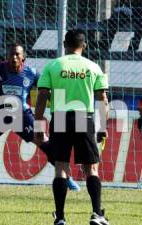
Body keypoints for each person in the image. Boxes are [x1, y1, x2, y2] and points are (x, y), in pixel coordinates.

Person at [0, 44, 80, 191]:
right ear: (7, 56)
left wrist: (60, 108)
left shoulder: (31, 73)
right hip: (0, 113)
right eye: (11, 54)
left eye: (17, 55)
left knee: (46, 144)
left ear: (23, 58)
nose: (13, 57)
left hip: (22, 115)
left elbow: (47, 93)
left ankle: (68, 179)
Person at [34, 29, 110, 225]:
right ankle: (97, 214)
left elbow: (42, 96)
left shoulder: (53, 66)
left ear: (65, 44)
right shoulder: (93, 67)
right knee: (91, 168)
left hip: (60, 117)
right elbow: (102, 99)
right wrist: (102, 126)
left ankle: (60, 217)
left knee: (60, 167)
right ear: (84, 46)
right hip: (85, 117)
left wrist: (38, 121)